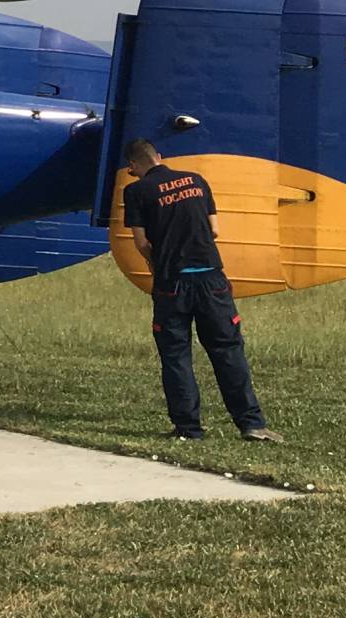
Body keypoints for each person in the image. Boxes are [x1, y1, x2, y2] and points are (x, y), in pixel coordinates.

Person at [119, 139, 280, 443]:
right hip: (212, 280)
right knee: (228, 351)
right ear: (159, 158)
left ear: (134, 167)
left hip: (172, 283)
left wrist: (158, 265)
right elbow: (215, 229)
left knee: (176, 355)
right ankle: (252, 424)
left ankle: (188, 428)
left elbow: (141, 242)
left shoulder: (136, 191)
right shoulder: (196, 180)